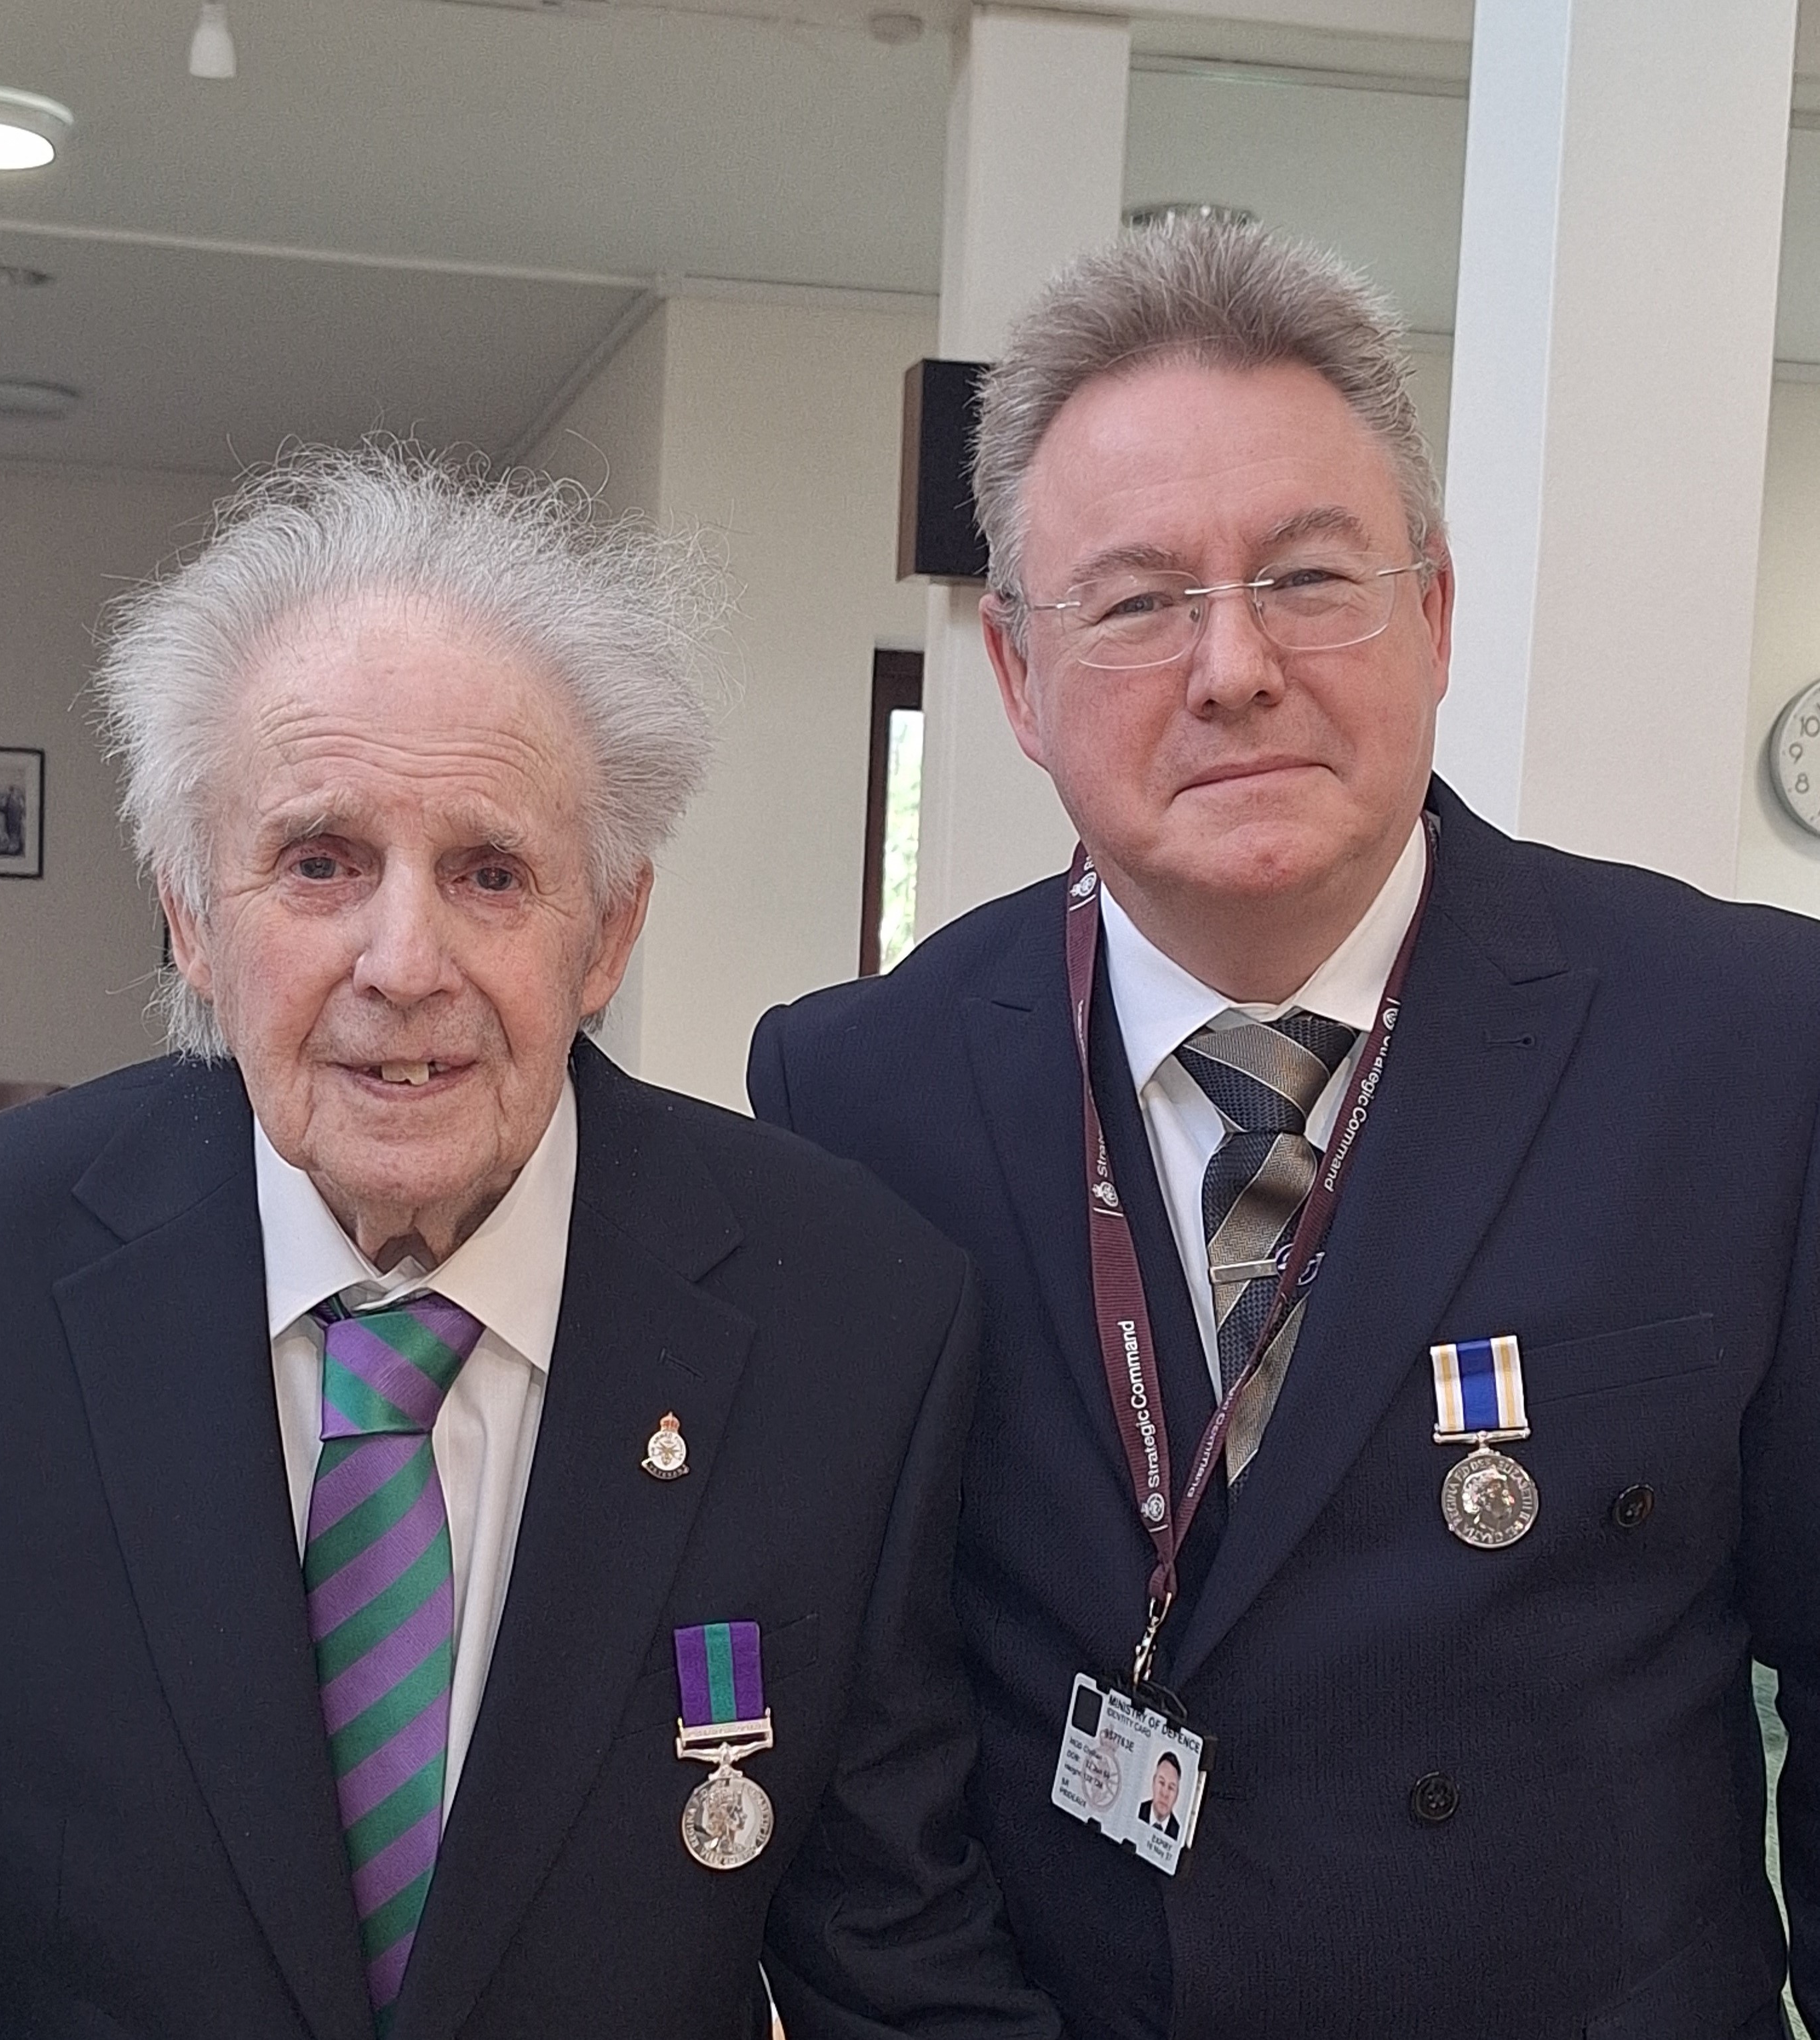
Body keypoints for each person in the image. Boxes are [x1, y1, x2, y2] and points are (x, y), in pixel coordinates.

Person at [0, 447, 1063, 2040]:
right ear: (190, 913)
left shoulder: (852, 1322)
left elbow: (896, 1963)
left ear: (609, 932)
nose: (405, 960)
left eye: (490, 871)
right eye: (320, 862)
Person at [749, 217, 1820, 2039]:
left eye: (1308, 577)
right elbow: (873, 1764)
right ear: (1013, 673)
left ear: (1434, 613)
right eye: (1140, 598)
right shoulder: (859, 1094)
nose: (1231, 665)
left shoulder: (1742, 1041)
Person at [1143, 1755, 1181, 1840]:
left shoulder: (1179, 1833)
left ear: (1177, 1795)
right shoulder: (1137, 1811)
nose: (1165, 1793)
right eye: (1162, 1783)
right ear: (1154, 1783)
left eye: (1171, 1788)